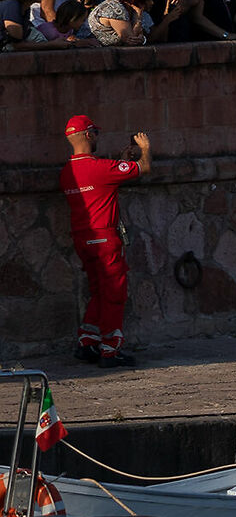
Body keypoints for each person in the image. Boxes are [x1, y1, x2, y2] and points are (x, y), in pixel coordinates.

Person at [61, 115, 148, 366]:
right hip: (104, 238)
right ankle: (110, 349)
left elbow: (102, 184)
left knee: (98, 291)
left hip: (82, 239)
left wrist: (120, 162)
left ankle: (87, 341)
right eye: (96, 132)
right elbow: (144, 168)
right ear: (88, 135)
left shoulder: (66, 173)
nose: (98, 137)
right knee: (114, 293)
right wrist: (145, 150)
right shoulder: (100, 168)